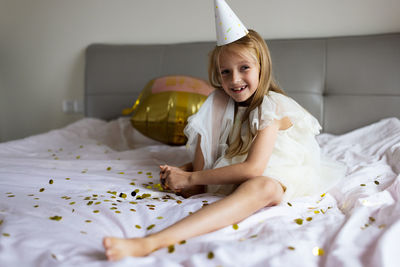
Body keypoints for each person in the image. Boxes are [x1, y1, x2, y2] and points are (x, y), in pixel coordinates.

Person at [103, 0, 344, 260]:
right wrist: (183, 173)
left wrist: (191, 178)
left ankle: (151, 243)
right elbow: (204, 172)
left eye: (244, 68)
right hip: (239, 170)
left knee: (263, 186)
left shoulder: (273, 106)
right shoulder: (221, 103)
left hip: (275, 174)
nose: (234, 80)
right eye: (225, 72)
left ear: (261, 67)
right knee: (217, 180)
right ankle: (152, 238)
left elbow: (252, 168)